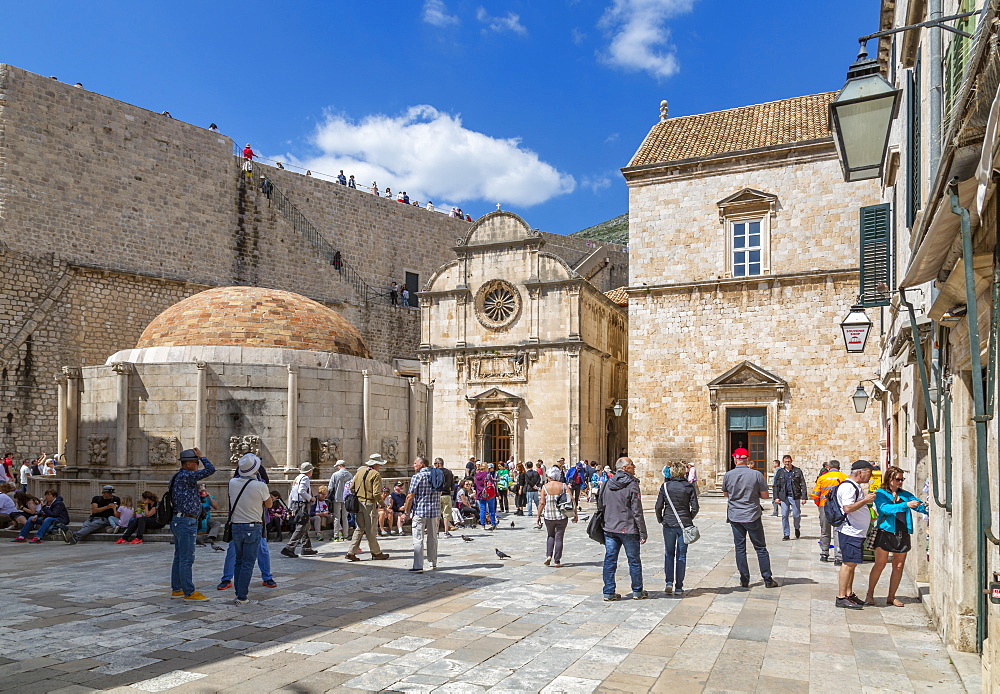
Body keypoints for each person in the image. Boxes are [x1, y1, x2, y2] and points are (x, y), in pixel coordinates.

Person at [863, 465, 927, 607]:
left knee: (898, 566)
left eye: (902, 479)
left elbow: (918, 505)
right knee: (880, 564)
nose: (900, 482)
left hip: (902, 531)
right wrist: (906, 505)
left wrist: (925, 507)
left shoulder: (905, 494)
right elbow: (885, 508)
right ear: (890, 479)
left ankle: (891, 596)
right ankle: (869, 594)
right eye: (898, 479)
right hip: (886, 532)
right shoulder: (880, 494)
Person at [722, 448, 778, 589]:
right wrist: (753, 494)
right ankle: (767, 579)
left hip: (735, 516)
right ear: (747, 459)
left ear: (735, 459)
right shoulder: (756, 475)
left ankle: (744, 579)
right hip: (752, 515)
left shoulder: (728, 475)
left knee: (740, 548)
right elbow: (765, 496)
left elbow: (726, 494)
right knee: (760, 548)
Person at [169, 448, 216, 601]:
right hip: (186, 522)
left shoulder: (177, 477)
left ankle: (177, 589)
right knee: (187, 558)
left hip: (178, 520)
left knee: (179, 556)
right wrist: (203, 457)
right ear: (189, 464)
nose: (198, 466)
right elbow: (210, 470)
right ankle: (189, 591)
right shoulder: (187, 476)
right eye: (196, 463)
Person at [227, 453, 272, 606]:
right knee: (248, 563)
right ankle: (242, 597)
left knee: (238, 561)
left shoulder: (232, 483)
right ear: (256, 470)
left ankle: (238, 594)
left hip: (236, 526)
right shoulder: (260, 486)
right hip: (252, 526)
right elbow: (269, 505)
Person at [600, 457, 647, 600]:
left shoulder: (607, 483)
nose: (635, 467)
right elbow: (637, 510)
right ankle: (637, 591)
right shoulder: (632, 484)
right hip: (628, 529)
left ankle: (608, 591)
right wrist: (642, 532)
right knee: (633, 560)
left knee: (610, 560)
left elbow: (601, 504)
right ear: (625, 468)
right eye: (632, 465)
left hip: (610, 528)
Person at [834, 460, 877, 609]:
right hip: (850, 532)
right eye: (869, 473)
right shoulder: (848, 487)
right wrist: (866, 500)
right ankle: (841, 597)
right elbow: (847, 508)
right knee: (848, 564)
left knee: (852, 564)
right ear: (860, 472)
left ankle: (848, 593)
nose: (870, 477)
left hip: (856, 532)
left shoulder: (854, 486)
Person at [655, 462, 699, 596]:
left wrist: (661, 519)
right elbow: (695, 507)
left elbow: (658, 506)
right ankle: (679, 586)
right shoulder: (689, 487)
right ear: (683, 472)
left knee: (669, 553)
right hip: (684, 524)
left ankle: (669, 582)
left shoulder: (665, 486)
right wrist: (688, 517)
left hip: (668, 523)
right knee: (681, 555)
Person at [346, 455, 390, 562]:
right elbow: (376, 493)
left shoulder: (360, 471)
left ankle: (351, 552)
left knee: (360, 527)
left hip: (359, 503)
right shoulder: (375, 474)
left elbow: (352, 488)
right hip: (369, 504)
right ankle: (376, 553)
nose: (380, 466)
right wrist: (382, 504)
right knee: (371, 529)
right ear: (375, 464)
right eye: (379, 464)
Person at [536, 465, 578, 567]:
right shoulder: (563, 486)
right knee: (559, 537)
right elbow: (572, 499)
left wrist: (538, 516)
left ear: (549, 476)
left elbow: (542, 503)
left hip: (549, 516)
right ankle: (557, 561)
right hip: (562, 516)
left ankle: (548, 556)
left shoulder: (545, 487)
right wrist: (575, 514)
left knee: (550, 535)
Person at [404, 456, 439, 573]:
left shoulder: (417, 477)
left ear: (422, 464)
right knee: (433, 537)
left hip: (420, 510)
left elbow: (410, 495)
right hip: (434, 510)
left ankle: (418, 565)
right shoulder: (437, 475)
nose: (413, 465)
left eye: (415, 463)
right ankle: (433, 561)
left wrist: (406, 511)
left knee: (418, 538)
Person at [811, 460, 847, 564]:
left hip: (824, 506)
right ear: (839, 468)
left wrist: (819, 505)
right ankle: (838, 557)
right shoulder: (844, 477)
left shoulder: (822, 478)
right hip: (838, 507)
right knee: (838, 530)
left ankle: (824, 553)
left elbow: (815, 494)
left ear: (828, 468)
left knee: (825, 530)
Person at [282, 462, 317, 558]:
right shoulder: (305, 478)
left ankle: (306, 547)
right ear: (309, 471)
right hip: (303, 505)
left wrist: (290, 506)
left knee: (305, 524)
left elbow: (292, 493)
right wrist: (311, 498)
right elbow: (301, 491)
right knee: (302, 526)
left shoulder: (297, 478)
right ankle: (289, 547)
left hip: (296, 504)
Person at [773, 454, 807, 540]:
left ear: (791, 461)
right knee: (784, 515)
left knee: (796, 515)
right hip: (784, 497)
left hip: (794, 496)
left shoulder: (797, 471)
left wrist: (804, 497)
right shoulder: (780, 472)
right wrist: (776, 497)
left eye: (788, 462)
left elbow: (802, 483)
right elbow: (776, 485)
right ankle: (786, 534)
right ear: (783, 462)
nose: (787, 463)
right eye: (785, 462)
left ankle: (797, 528)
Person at [328, 460, 352, 541]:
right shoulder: (350, 475)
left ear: (339, 465)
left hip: (337, 497)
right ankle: (346, 535)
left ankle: (336, 535)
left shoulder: (335, 474)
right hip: (346, 498)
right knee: (345, 517)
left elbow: (330, 487)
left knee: (337, 517)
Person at [433, 458, 456, 537]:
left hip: (437, 495)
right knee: (446, 514)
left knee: (437, 514)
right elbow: (452, 484)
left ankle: (436, 532)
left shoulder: (435, 472)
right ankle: (446, 531)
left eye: (435, 464)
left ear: (438, 464)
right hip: (447, 494)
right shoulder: (449, 472)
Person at [474, 462, 498, 530]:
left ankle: (483, 525)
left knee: (482, 509)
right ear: (485, 468)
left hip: (480, 494)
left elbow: (476, 486)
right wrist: (496, 493)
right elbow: (491, 485)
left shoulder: (476, 476)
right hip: (489, 494)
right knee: (491, 509)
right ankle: (493, 523)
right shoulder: (488, 475)